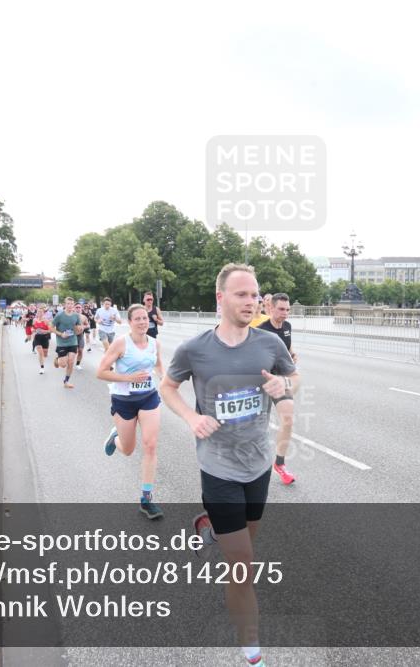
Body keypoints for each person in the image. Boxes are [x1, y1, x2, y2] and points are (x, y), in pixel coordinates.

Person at [159, 263, 298, 667]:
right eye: (242, 294)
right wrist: (190, 417)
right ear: (220, 298)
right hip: (218, 468)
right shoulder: (194, 349)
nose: (252, 301)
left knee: (245, 544)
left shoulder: (269, 344)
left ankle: (217, 530)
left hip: (257, 467)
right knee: (242, 562)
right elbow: (168, 387)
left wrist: (283, 387)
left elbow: (293, 379)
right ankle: (249, 638)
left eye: (255, 294)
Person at [97, 304, 165, 520]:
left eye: (145, 318)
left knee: (150, 445)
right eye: (138, 319)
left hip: (148, 398)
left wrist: (164, 379)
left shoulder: (155, 343)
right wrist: (129, 379)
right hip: (123, 400)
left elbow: (159, 366)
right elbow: (101, 372)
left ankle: (146, 499)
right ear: (129, 322)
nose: (143, 322)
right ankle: (115, 437)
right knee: (127, 450)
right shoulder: (120, 343)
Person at [256, 293, 297, 485]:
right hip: (260, 380)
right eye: (281, 309)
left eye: (288, 309)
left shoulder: (287, 327)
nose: (285, 313)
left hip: (280, 380)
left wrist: (291, 355)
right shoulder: (260, 331)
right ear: (270, 308)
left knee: (288, 418)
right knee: (257, 426)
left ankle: (279, 463)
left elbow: (286, 349)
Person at [52, 297, 81, 388]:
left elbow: (78, 326)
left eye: (71, 304)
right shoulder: (59, 315)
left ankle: (66, 381)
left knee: (71, 361)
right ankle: (58, 359)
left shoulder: (76, 315)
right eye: (68, 304)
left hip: (73, 341)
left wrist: (79, 328)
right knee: (63, 364)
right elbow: (51, 327)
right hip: (62, 342)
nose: (70, 305)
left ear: (73, 305)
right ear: (65, 304)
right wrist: (61, 334)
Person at [32, 307, 52, 373]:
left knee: (45, 354)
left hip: (45, 337)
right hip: (37, 337)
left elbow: (50, 330)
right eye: (38, 312)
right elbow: (33, 328)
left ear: (43, 313)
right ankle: (42, 367)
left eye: (41, 312)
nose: (39, 313)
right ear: (36, 313)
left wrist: (44, 331)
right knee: (40, 353)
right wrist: (33, 331)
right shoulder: (34, 320)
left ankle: (43, 359)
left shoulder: (46, 321)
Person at [72, 303, 89, 370]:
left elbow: (88, 325)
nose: (78, 309)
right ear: (74, 308)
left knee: (80, 350)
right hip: (72, 336)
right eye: (76, 307)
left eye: (79, 307)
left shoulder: (84, 317)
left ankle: (78, 364)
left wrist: (83, 327)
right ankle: (70, 361)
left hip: (80, 335)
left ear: (81, 308)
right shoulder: (70, 316)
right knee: (73, 351)